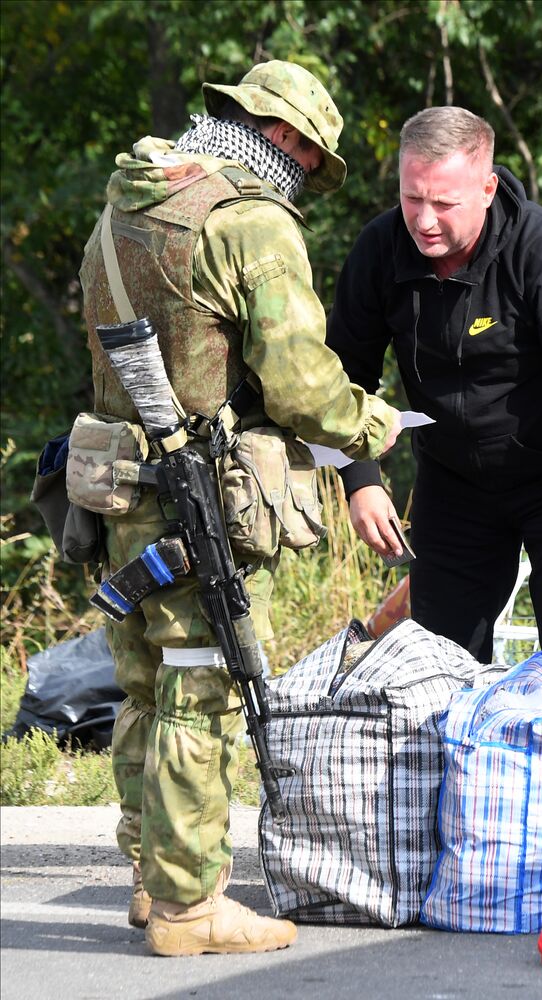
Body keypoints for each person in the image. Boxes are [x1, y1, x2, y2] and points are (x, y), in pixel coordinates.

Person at [77, 61, 402, 955]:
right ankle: (190, 911)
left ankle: (152, 878)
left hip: (118, 493)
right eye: (308, 153)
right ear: (286, 138)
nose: (306, 172)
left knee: (146, 687)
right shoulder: (249, 221)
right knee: (199, 692)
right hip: (196, 503)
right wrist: (370, 422)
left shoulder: (128, 205)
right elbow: (301, 385)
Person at [327, 106, 542, 669]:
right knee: (438, 670)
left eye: (444, 203)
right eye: (411, 198)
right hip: (453, 487)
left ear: (488, 187)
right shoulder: (379, 250)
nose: (424, 220)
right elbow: (342, 377)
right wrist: (360, 480)